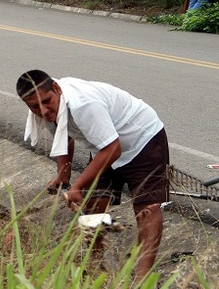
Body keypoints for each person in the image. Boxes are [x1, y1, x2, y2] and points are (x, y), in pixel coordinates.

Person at [16, 70, 169, 281]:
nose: (43, 110)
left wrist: (76, 186)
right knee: (92, 203)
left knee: (147, 208)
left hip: (142, 139)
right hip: (104, 145)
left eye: (46, 101)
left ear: (57, 89)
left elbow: (113, 149)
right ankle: (98, 264)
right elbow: (65, 136)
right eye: (34, 106)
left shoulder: (83, 105)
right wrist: (63, 175)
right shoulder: (47, 108)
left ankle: (143, 278)